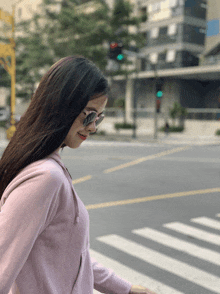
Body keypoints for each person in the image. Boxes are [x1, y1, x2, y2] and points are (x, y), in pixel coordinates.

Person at [0, 56, 156, 294]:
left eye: (99, 117)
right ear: (62, 106)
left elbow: (70, 258)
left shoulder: (49, 169)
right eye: (89, 115)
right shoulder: (45, 179)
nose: (93, 127)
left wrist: (126, 289)